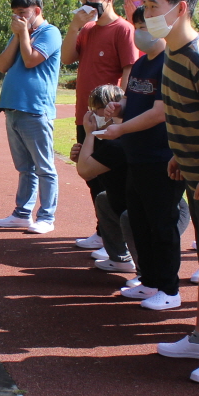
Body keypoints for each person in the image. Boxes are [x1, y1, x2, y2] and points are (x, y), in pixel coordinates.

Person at [105, 0, 199, 380]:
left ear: (181, 8)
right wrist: (182, 158)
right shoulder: (173, 55)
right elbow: (185, 114)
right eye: (145, 5)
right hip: (196, 174)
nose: (146, 14)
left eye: (153, 6)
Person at [94, 7, 189, 310]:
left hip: (161, 157)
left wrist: (121, 128)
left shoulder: (170, 62)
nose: (140, 32)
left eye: (145, 25)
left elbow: (160, 112)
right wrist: (118, 108)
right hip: (137, 156)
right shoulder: (140, 63)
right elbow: (131, 99)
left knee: (162, 225)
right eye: (137, 26)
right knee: (138, 222)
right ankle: (149, 281)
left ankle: (169, 289)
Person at [0, 0, 63, 234]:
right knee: (25, 168)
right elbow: (3, 65)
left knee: (44, 167)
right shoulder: (18, 34)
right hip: (13, 108)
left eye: (23, 13)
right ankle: (22, 214)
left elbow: (31, 59)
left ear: (37, 11)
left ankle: (46, 217)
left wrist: (23, 34)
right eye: (15, 14)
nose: (18, 18)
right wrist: (18, 35)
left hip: (35, 109)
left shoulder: (50, 33)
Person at [61, 0, 138, 147]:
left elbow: (129, 70)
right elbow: (66, 58)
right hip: (85, 112)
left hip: (108, 114)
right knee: (85, 160)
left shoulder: (123, 29)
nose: (88, 3)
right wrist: (74, 27)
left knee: (106, 161)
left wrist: (120, 109)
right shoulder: (87, 29)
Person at [71, 84, 137, 276]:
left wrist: (89, 134)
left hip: (156, 208)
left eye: (100, 107)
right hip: (131, 200)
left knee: (131, 216)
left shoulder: (120, 142)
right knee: (104, 199)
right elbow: (89, 172)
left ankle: (147, 275)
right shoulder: (105, 141)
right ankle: (120, 259)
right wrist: (82, 155)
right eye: (93, 108)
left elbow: (85, 171)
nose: (95, 113)